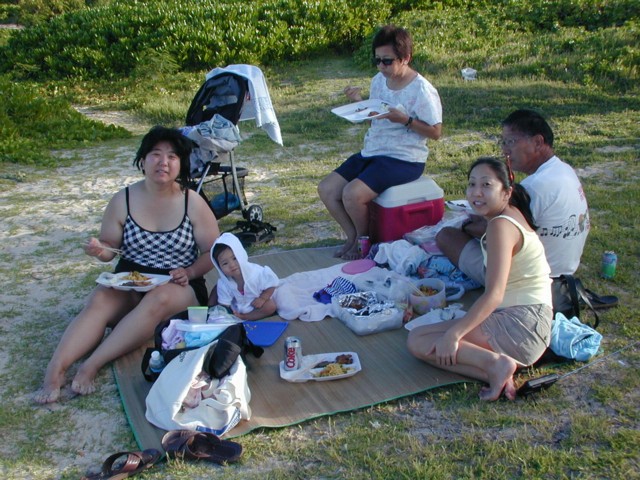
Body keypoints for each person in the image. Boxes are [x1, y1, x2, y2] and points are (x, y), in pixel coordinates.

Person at [35, 126, 220, 404]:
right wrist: (100, 250)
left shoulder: (191, 202)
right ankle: (55, 369)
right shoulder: (124, 199)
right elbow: (111, 248)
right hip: (131, 279)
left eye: (172, 156)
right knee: (99, 298)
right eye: (155, 154)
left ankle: (92, 365)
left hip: (178, 282)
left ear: (181, 164)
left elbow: (213, 251)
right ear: (143, 160)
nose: (163, 162)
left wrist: (190, 271)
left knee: (159, 298)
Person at [408, 157, 552, 401]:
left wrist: (454, 335)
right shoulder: (506, 217)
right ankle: (495, 371)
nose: (476, 192)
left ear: (507, 192)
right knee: (425, 339)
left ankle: (496, 364)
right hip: (528, 321)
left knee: (419, 341)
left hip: (522, 326)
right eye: (472, 184)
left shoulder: (500, 227)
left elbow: (494, 294)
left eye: (486, 185)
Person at [436, 109, 589, 312]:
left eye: (511, 142)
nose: (505, 150)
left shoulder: (534, 187)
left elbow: (502, 235)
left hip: (531, 280)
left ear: (537, 142)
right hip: (565, 270)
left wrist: (466, 227)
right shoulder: (564, 171)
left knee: (446, 236)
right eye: (504, 142)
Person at [318, 24, 442, 260]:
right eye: (377, 61)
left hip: (404, 158)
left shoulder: (422, 90)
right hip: (373, 151)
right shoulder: (379, 80)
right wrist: (359, 104)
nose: (381, 67)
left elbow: (435, 132)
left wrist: (405, 120)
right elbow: (376, 118)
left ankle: (365, 243)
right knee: (327, 188)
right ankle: (353, 236)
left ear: (405, 58)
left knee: (352, 194)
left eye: (387, 61)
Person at [209, 232, 279, 320]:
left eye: (235, 258)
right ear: (219, 267)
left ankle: (246, 317)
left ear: (241, 254)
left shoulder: (256, 273)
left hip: (256, 304)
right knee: (217, 293)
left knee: (270, 306)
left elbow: (271, 284)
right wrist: (225, 312)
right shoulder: (224, 283)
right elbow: (224, 303)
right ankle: (209, 311)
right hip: (236, 307)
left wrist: (263, 298)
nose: (232, 265)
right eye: (225, 263)